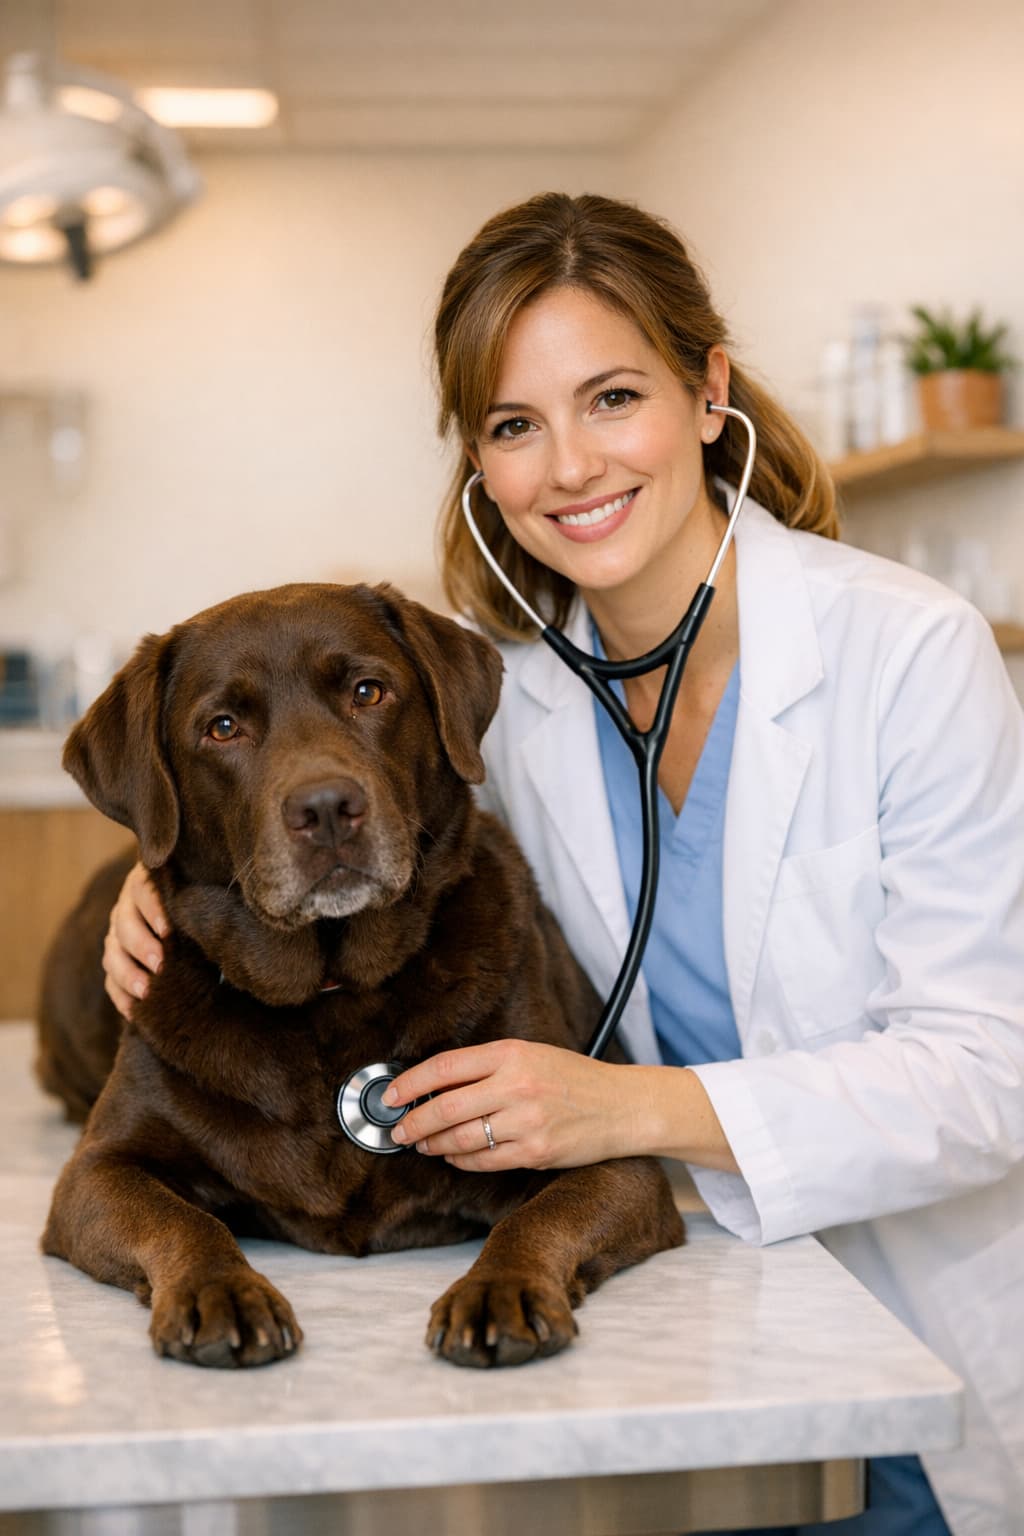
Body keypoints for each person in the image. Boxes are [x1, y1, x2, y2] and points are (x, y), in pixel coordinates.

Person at [101, 193, 1023, 1536]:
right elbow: (357, 829)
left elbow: (990, 1078)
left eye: (612, 398)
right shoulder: (510, 712)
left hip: (923, 1339)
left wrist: (626, 1111)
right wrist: (173, 872)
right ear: (480, 463)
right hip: (690, 1337)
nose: (571, 466)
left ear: (709, 393)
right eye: (514, 426)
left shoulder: (912, 655)